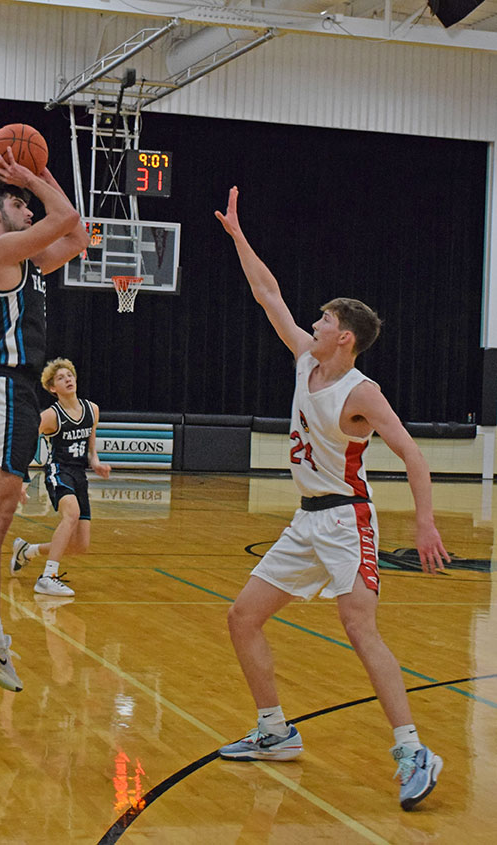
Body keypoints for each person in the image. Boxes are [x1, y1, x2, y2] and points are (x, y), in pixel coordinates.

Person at [214, 186, 450, 811]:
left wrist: (424, 523)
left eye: (323, 321)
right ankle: (274, 731)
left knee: (359, 627)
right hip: (305, 522)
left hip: (348, 519)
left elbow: (413, 454)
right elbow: (269, 292)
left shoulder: (361, 391)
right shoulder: (303, 362)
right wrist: (239, 236)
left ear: (344, 338)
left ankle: (412, 750)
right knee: (242, 618)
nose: (312, 324)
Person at [0, 147, 90, 707]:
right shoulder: (1, 250)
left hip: (21, 393)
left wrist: (39, 174)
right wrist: (34, 175)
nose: (28, 208)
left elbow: (74, 238)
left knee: (1, 519)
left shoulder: (26, 261)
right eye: (18, 202)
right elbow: (66, 221)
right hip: (4, 385)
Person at [9, 357, 111, 595]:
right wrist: (22, 479)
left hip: (79, 475)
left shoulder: (92, 409)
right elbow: (25, 442)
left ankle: (27, 551)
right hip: (58, 470)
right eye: (61, 378)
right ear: (52, 388)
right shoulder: (50, 416)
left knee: (79, 545)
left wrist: (96, 464)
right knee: (71, 514)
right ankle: (48, 576)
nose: (68, 379)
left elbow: (91, 449)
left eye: (70, 375)